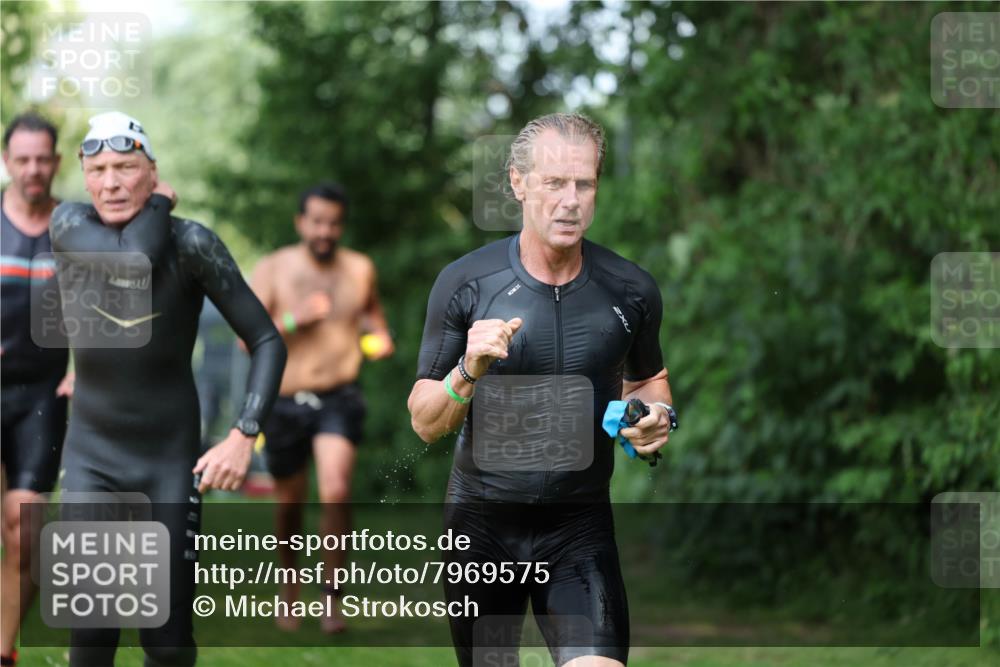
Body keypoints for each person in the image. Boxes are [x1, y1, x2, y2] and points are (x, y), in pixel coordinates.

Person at [407, 112, 676, 667]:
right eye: (554, 182)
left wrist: (658, 417)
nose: (570, 200)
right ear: (518, 183)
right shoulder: (466, 283)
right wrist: (468, 368)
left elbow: (649, 380)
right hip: (481, 526)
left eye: (584, 183)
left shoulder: (630, 290)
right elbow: (425, 421)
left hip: (579, 527)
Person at [51, 111, 286, 666]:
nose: (111, 182)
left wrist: (242, 434)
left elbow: (268, 340)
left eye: (127, 168)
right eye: (99, 168)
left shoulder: (193, 246)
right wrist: (158, 202)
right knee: (91, 631)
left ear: (151, 171)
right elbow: (129, 261)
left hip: (167, 464)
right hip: (92, 461)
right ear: (84, 175)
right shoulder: (68, 227)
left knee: (166, 639)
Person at [249, 182, 394, 632]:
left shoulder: (360, 268)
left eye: (333, 223)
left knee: (335, 489)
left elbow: (372, 319)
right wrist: (295, 319)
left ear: (341, 225)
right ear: (301, 222)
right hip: (286, 400)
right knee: (290, 503)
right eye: (317, 221)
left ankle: (332, 599)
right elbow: (245, 338)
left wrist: (378, 339)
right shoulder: (273, 268)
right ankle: (289, 592)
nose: (325, 231)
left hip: (339, 397)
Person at [0, 111, 74, 667]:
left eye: (42, 159)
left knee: (25, 535)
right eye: (21, 159)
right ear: (7, 162)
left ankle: (3, 651)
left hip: (43, 397)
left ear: (56, 161)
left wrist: (83, 369)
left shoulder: (77, 228)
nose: (32, 169)